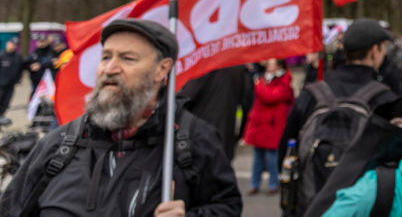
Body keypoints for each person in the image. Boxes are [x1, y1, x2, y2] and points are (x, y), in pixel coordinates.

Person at [0, 18, 242, 216]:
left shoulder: (192, 140)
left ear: (162, 69)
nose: (110, 68)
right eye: (106, 57)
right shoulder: (60, 144)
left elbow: (227, 207)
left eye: (127, 59)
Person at [278, 17, 398, 162]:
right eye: (383, 47)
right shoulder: (385, 99)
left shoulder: (312, 95)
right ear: (374, 51)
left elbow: (286, 150)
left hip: (315, 183)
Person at [179, 64, 255, 161]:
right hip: (225, 136)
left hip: (201, 137)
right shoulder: (238, 66)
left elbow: (186, 96)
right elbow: (247, 102)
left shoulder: (207, 63)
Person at [243, 58, 293, 195]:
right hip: (261, 124)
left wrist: (259, 86)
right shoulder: (266, 79)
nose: (268, 66)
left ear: (279, 66)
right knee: (258, 157)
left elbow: (270, 97)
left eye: (271, 64)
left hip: (272, 125)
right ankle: (255, 184)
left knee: (272, 158)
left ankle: (273, 184)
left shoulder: (283, 81)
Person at [0, 39, 24, 126]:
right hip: (1, 85)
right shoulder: (1, 55)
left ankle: (1, 118)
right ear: (7, 43)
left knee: (5, 104)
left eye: (15, 45)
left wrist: (18, 79)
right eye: (11, 44)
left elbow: (21, 69)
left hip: (10, 86)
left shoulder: (17, 57)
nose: (13, 46)